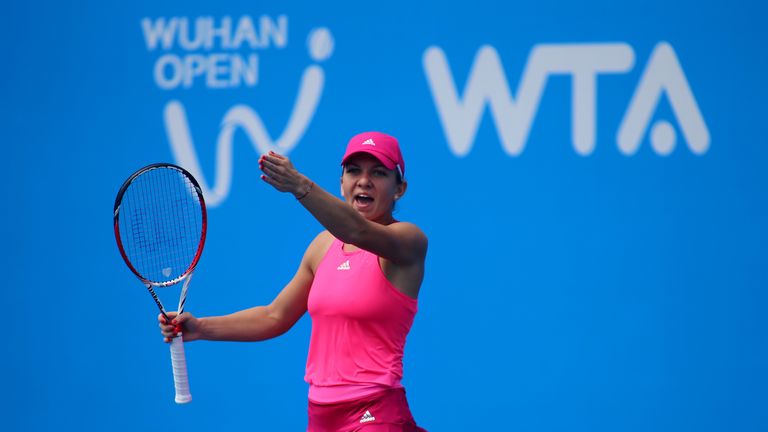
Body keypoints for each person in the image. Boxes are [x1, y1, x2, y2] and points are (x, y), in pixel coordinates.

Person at [159, 131, 428, 431]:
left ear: (399, 189)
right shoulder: (322, 247)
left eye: (379, 173)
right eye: (354, 171)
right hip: (321, 415)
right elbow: (274, 316)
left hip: (376, 411)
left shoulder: (409, 241)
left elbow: (358, 232)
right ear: (341, 183)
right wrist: (200, 328)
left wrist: (301, 186)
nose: (364, 181)